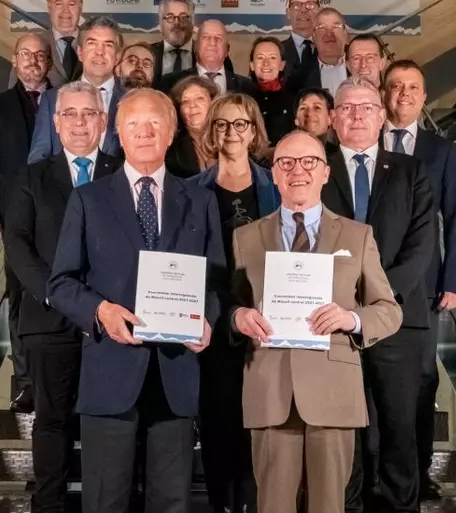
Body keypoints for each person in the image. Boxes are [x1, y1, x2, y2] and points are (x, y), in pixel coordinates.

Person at [47, 88, 226, 513]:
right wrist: (100, 311)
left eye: (154, 124)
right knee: (105, 502)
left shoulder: (200, 201)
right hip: (110, 373)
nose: (144, 132)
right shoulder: (88, 199)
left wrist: (209, 320)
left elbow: (216, 282)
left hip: (175, 373)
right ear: (118, 135)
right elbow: (61, 283)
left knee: (172, 503)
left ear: (171, 133)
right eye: (133, 125)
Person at [232, 129, 402, 513]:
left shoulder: (357, 236)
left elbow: (389, 310)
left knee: (329, 506)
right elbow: (231, 304)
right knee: (272, 506)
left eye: (309, 162)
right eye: (286, 163)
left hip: (333, 392)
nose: (298, 171)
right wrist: (237, 316)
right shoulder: (245, 237)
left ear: (325, 172)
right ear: (273, 174)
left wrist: (351, 318)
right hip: (270, 390)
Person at [4, 81, 121, 513]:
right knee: (51, 422)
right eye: (68, 114)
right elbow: (17, 243)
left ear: (103, 121)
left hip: (109, 322)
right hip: (48, 320)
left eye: (87, 113)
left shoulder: (123, 171)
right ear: (55, 123)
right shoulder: (31, 176)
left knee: (108, 424)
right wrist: (55, 294)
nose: (78, 122)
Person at [320, 76, 435, 513]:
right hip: (334, 322)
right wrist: (347, 307)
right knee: (344, 432)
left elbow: (422, 246)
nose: (356, 115)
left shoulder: (412, 171)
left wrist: (377, 304)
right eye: (347, 108)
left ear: (382, 116)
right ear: (333, 117)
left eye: (366, 107)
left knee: (398, 428)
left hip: (397, 321)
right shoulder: (317, 168)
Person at [188, 93, 280, 513]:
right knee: (218, 429)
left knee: (259, 433)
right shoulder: (189, 192)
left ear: (254, 130)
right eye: (222, 124)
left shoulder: (275, 186)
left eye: (240, 124)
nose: (230, 133)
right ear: (211, 131)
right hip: (212, 322)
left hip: (266, 325)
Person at [382, 59, 456, 501]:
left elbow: (453, 217)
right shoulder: (368, 141)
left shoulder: (440, 150)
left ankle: (416, 472)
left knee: (420, 379)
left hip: (426, 284)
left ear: (424, 96)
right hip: (372, 279)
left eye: (413, 87)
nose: (404, 94)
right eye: (396, 86)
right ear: (385, 92)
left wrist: (453, 280)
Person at [0, 33, 52, 413]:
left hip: (62, 211)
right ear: (14, 61)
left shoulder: (67, 101)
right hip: (16, 216)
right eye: (26, 55)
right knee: (19, 296)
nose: (33, 61)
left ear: (50, 61)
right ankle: (26, 383)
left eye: (40, 55)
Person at [28, 16, 126, 164]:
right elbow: (37, 159)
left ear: (118, 55)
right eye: (92, 43)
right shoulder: (51, 99)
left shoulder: (132, 100)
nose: (100, 52)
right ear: (80, 52)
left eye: (108, 45)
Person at [157, 19, 252, 95]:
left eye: (218, 38)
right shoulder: (171, 83)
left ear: (227, 50)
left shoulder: (248, 87)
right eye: (206, 37)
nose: (212, 43)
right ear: (196, 47)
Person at [9, 0, 82, 87]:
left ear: (80, 7)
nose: (65, 10)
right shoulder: (29, 45)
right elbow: (13, 95)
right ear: (49, 6)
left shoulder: (98, 44)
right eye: (58, 3)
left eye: (71, 4)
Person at [248, 37, 296, 153]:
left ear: (282, 65)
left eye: (272, 58)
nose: (266, 63)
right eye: (260, 58)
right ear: (252, 65)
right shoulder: (240, 99)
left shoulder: (295, 100)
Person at [166, 75, 220, 178]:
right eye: (185, 102)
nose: (192, 105)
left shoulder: (229, 135)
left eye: (199, 99)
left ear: (213, 102)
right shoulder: (172, 148)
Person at [304, 8, 348, 96]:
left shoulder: (361, 66)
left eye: (335, 27)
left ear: (345, 33)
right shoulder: (302, 75)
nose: (329, 33)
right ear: (313, 36)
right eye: (322, 28)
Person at [280, 0, 321, 78]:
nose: (303, 10)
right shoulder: (276, 51)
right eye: (297, 5)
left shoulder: (337, 51)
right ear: (288, 13)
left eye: (310, 4)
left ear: (319, 11)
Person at [294, 87, 336, 151]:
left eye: (317, 107)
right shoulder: (282, 154)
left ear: (330, 117)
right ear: (296, 120)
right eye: (303, 108)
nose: (309, 113)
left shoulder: (341, 157)